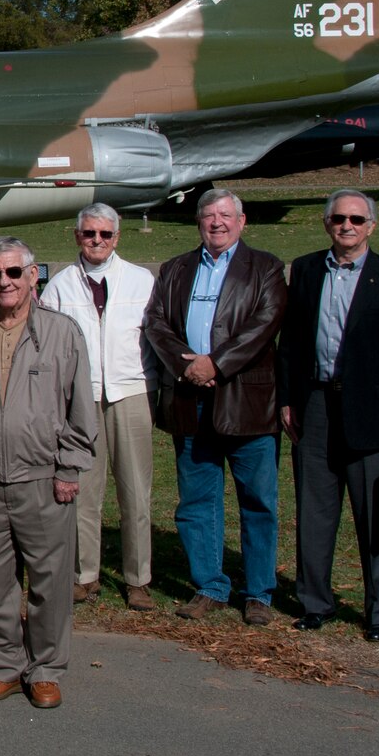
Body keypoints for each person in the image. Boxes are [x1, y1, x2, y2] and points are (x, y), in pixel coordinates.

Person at [0, 238, 96, 708]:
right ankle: (4, 666)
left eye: (13, 273)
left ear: (33, 276)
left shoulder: (63, 333)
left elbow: (80, 409)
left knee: (49, 583)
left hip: (44, 479)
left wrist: (69, 467)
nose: (3, 282)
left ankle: (46, 668)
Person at [278, 191, 379, 642]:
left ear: (371, 226)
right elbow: (292, 343)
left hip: (372, 413)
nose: (348, 226)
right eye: (339, 218)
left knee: (375, 517)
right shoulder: (304, 270)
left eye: (357, 219)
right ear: (326, 224)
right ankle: (314, 603)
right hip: (316, 405)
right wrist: (288, 399)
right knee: (315, 511)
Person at [143, 189, 287, 625]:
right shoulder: (176, 269)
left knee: (258, 501)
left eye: (225, 215)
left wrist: (216, 365)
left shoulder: (265, 268)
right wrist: (189, 367)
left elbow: (264, 325)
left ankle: (259, 591)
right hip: (191, 402)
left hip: (247, 404)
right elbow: (156, 323)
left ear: (241, 221)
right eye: (208, 216)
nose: (217, 223)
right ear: (198, 222)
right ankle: (210, 584)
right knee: (197, 500)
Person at [40, 204, 159, 612]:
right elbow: (48, 346)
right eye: (89, 233)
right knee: (82, 492)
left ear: (117, 237)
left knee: (135, 491)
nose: (96, 241)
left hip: (130, 391)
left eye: (105, 234)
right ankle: (83, 574)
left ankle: (138, 578)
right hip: (80, 398)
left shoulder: (141, 281)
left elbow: (156, 338)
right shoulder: (58, 286)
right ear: (77, 236)